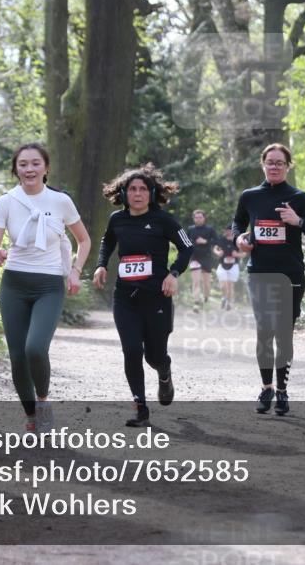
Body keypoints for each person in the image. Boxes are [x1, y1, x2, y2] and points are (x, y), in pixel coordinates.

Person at [0, 143, 91, 432]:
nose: (29, 169)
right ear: (15, 169)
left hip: (48, 285)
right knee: (17, 356)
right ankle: (32, 416)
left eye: (35, 164)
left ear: (45, 168)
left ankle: (43, 401)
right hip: (14, 284)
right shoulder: (6, 202)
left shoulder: (60, 202)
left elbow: (84, 240)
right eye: (23, 164)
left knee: (35, 348)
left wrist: (75, 271)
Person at [93, 164, 194, 427]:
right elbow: (107, 242)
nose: (137, 194)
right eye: (132, 189)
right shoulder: (117, 219)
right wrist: (101, 265)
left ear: (151, 193)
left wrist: (173, 274)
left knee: (154, 356)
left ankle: (164, 371)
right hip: (125, 297)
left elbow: (186, 247)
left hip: (157, 297)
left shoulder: (164, 220)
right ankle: (140, 408)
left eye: (142, 189)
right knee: (131, 350)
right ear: (124, 194)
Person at [232, 143, 305, 416]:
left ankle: (282, 391)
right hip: (259, 273)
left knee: (283, 335)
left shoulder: (299, 197)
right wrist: (239, 238)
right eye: (270, 162)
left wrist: (297, 221)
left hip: (290, 275)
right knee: (264, 332)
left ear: (287, 166)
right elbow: (237, 223)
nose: (274, 166)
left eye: (279, 163)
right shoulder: (250, 196)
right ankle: (266, 387)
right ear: (263, 165)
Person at [186, 209, 217, 312]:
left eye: (200, 217)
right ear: (193, 219)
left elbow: (217, 240)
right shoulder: (190, 229)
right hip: (195, 258)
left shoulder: (210, 229)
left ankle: (206, 299)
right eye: (196, 217)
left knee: (206, 283)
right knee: (196, 281)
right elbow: (185, 242)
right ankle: (196, 303)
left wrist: (206, 241)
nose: (198, 219)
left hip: (206, 258)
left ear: (204, 218)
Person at [212, 226, 242, 310]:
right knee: (223, 286)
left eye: (229, 230)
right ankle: (224, 298)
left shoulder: (238, 241)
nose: (227, 232)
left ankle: (229, 303)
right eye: (225, 230)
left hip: (234, 265)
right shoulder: (221, 240)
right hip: (222, 265)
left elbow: (244, 253)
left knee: (230, 285)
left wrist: (238, 255)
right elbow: (215, 249)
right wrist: (218, 252)